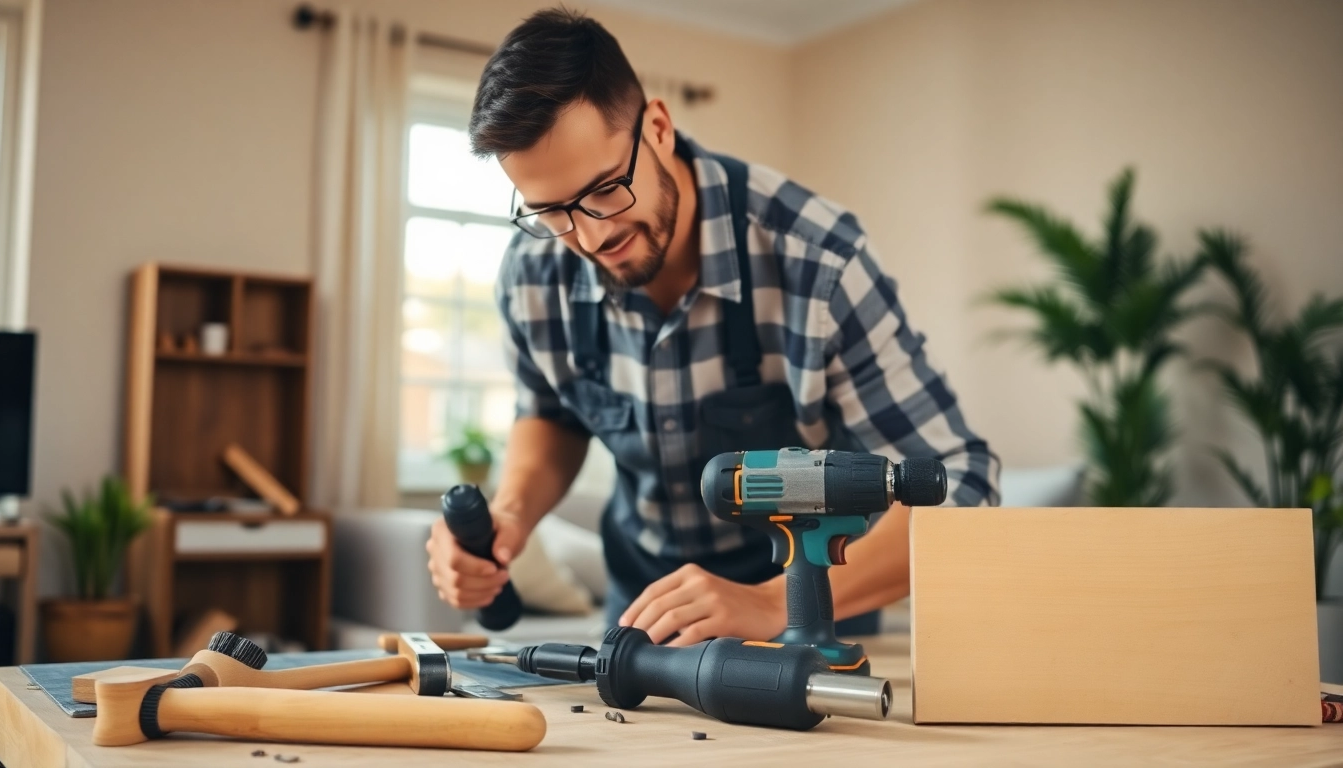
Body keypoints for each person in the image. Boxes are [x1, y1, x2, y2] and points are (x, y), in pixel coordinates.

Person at [426, 8, 999, 647]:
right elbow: (551, 416)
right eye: (551, 212)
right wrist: (509, 515)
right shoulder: (534, 272)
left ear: (660, 129)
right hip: (640, 615)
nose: (590, 236)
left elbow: (965, 485)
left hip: (808, 613)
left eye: (606, 189)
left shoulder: (816, 259)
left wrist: (771, 603)